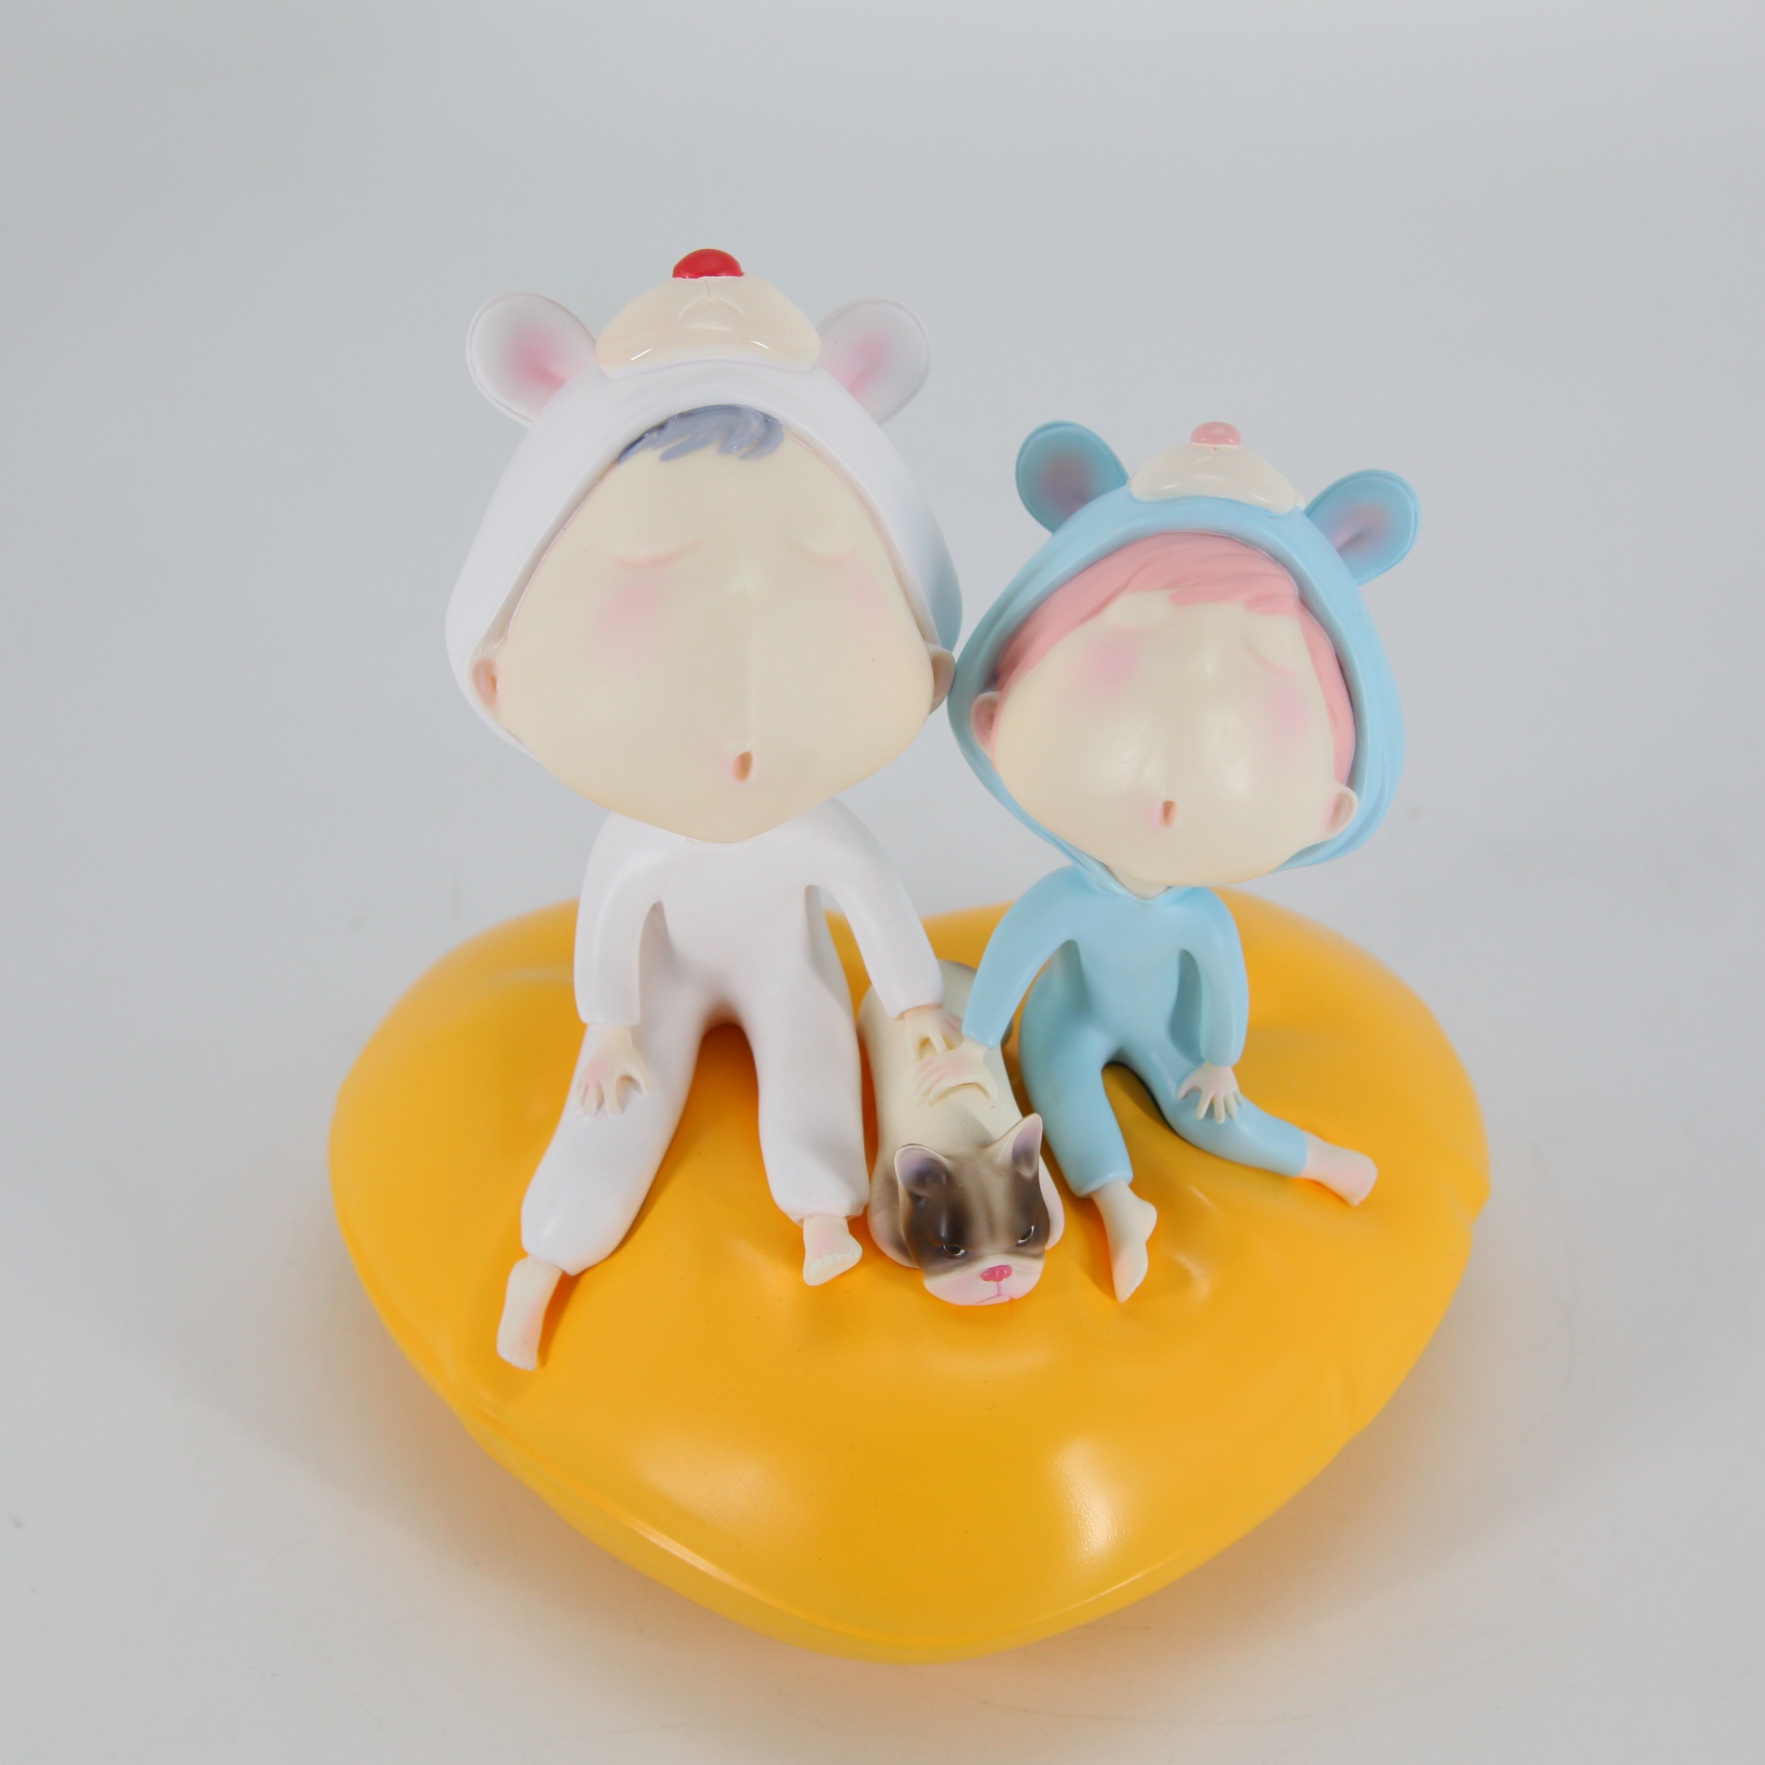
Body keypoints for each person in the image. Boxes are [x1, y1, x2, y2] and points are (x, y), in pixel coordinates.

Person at [447, 253, 963, 1366]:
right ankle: (550, 1256)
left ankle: (821, 1214)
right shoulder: (640, 838)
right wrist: (609, 1023)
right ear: (496, 677)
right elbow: (611, 922)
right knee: (612, 1102)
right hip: (664, 976)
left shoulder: (810, 828)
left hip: (787, 963)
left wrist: (914, 1002)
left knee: (813, 1060)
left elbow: (870, 900)